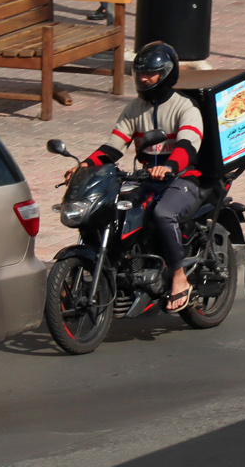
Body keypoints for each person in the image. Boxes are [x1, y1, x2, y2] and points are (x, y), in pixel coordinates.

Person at [68, 42, 204, 312]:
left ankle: (179, 277)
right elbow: (113, 147)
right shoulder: (134, 109)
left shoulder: (185, 107)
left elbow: (188, 145)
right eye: (140, 73)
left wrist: (170, 167)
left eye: (150, 73)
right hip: (147, 178)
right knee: (111, 210)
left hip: (184, 178)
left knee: (163, 214)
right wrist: (84, 165)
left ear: (166, 73)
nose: (143, 79)